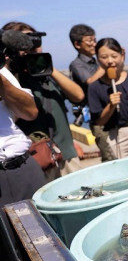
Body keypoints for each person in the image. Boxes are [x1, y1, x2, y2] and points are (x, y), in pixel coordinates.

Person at [2, 21, 84, 182]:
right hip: (36, 159)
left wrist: (47, 68)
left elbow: (78, 96)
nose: (30, 47)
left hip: (64, 154)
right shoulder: (8, 79)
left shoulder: (47, 76)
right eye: (22, 42)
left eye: (34, 41)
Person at [0, 61, 46, 208]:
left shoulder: (3, 73)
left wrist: (3, 82)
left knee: (44, 227)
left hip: (23, 165)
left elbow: (29, 112)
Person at [68, 24, 114, 162]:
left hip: (110, 111)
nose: (94, 44)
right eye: (89, 41)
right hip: (98, 116)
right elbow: (90, 81)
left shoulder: (96, 62)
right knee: (110, 156)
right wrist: (106, 64)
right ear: (77, 44)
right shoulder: (77, 64)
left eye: (95, 40)